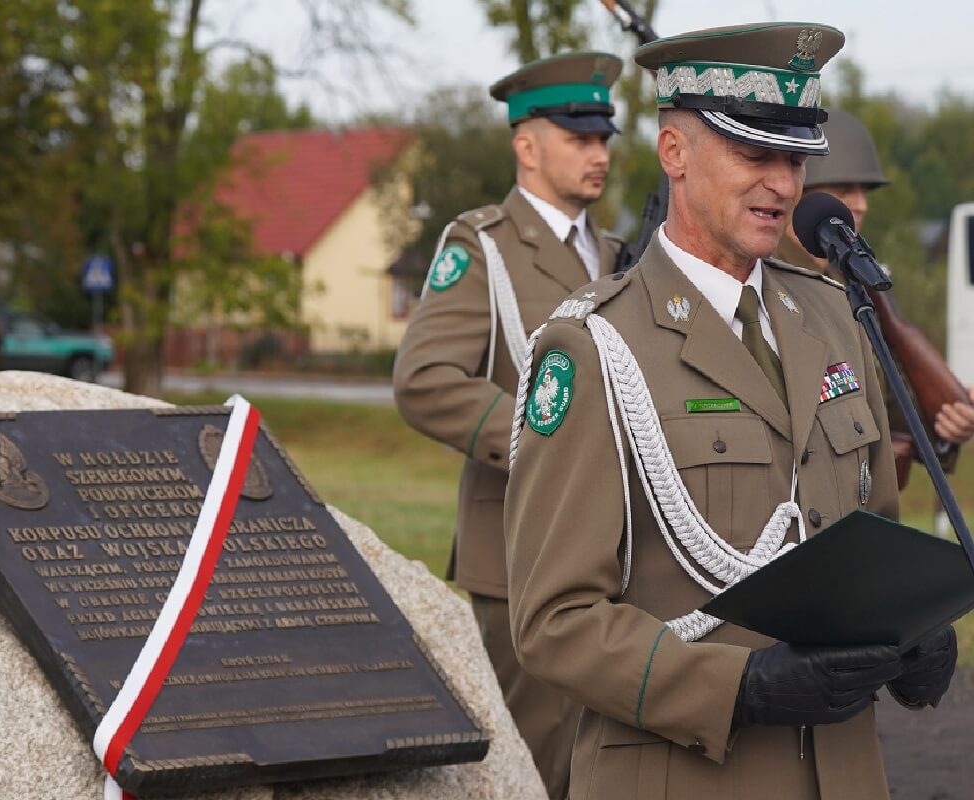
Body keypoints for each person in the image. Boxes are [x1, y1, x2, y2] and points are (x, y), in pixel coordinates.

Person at [505, 23, 957, 799]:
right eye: (755, 155)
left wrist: (914, 629)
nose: (783, 186)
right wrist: (737, 689)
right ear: (674, 152)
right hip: (687, 775)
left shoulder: (832, 317)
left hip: (845, 772)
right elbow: (554, 621)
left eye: (794, 159)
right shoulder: (595, 345)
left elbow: (871, 540)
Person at [392, 51, 623, 799]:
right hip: (523, 550)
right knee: (536, 765)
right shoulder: (482, 246)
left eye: (604, 137)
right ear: (527, 145)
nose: (600, 152)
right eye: (579, 136)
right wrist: (545, 442)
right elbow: (425, 380)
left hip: (616, 549)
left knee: (607, 757)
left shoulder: (620, 255)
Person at [776, 108, 974, 461]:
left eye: (865, 191)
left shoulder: (853, 280)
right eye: (844, 190)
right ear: (800, 188)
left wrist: (942, 425)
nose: (862, 205)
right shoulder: (766, 278)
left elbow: (881, 396)